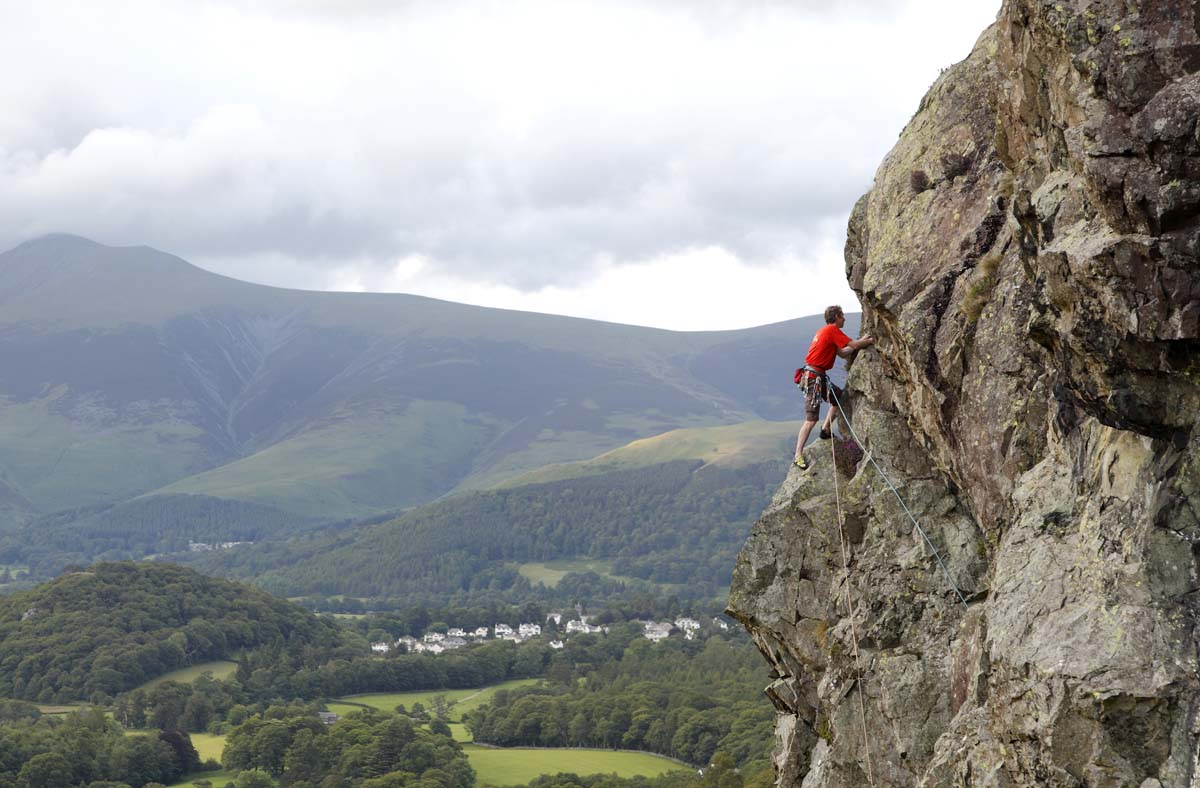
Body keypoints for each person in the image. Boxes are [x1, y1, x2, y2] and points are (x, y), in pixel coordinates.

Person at [793, 305, 874, 470]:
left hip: (816, 376)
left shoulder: (825, 332)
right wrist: (869, 341)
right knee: (811, 419)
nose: (844, 319)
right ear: (836, 316)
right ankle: (798, 455)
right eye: (842, 316)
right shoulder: (831, 330)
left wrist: (863, 340)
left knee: (839, 398)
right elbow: (854, 345)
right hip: (814, 378)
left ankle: (826, 429)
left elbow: (843, 353)